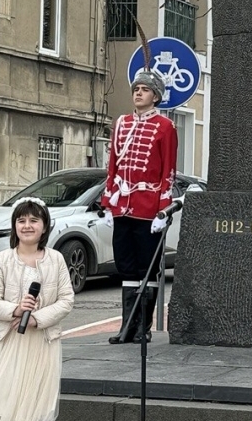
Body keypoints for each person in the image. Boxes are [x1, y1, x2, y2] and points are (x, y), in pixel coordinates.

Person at [0, 197, 75, 421]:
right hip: (8, 341)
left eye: (34, 220)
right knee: (0, 401)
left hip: (43, 343)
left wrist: (37, 319)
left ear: (44, 226)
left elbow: (66, 300)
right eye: (21, 220)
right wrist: (16, 309)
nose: (27, 226)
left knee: (36, 406)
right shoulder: (2, 260)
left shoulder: (56, 259)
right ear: (14, 226)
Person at [102, 69, 178, 344]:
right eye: (136, 88)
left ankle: (142, 329)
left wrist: (163, 208)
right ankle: (127, 326)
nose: (138, 92)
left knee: (147, 267)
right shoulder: (121, 123)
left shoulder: (165, 127)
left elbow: (168, 169)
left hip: (149, 208)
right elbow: (113, 166)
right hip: (123, 205)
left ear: (155, 96)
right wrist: (109, 202)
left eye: (145, 89)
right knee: (127, 267)